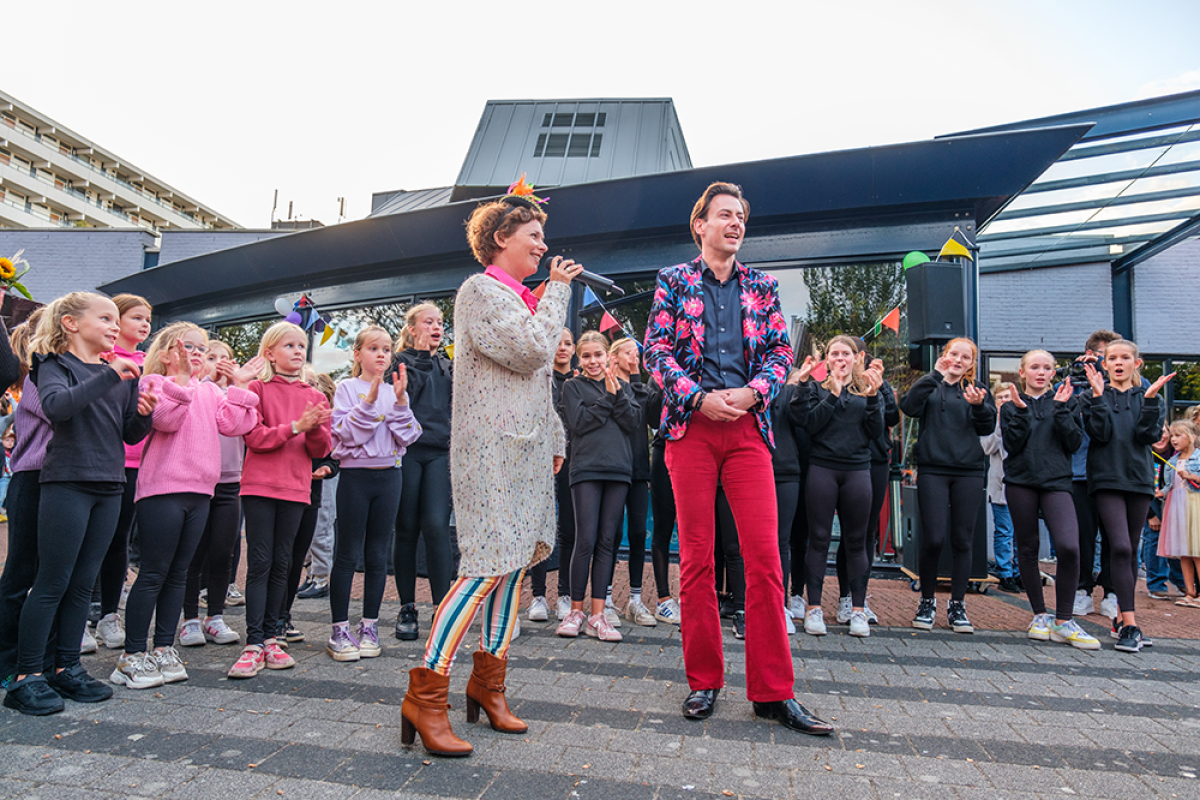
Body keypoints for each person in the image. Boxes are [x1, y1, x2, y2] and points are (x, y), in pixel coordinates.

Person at [642, 181, 831, 736]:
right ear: (700, 224)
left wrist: (752, 394)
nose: (735, 223)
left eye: (741, 216)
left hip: (748, 428)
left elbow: (779, 352)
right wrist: (697, 397)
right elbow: (655, 349)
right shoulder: (673, 281)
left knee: (764, 560)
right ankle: (705, 681)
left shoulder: (763, 285)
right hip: (691, 430)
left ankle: (774, 693)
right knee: (697, 559)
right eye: (725, 215)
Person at [400, 187, 582, 758]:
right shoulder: (480, 292)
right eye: (534, 237)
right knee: (483, 566)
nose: (543, 246)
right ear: (502, 238)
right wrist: (557, 292)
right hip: (490, 455)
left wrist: (555, 435)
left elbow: (537, 381)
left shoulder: (524, 299)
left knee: (515, 565)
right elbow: (531, 352)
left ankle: (489, 685)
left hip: (526, 452)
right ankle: (427, 694)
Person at [5, 293, 156, 716]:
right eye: (105, 317)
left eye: (115, 319)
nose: (114, 325)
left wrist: (144, 413)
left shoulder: (124, 375)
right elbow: (57, 407)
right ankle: (27, 675)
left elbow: (128, 433)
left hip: (109, 485)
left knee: (81, 583)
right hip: (66, 482)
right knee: (52, 580)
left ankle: (66, 666)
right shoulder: (53, 366)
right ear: (70, 324)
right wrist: (111, 373)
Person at [113, 324, 261, 689]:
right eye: (187, 346)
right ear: (166, 352)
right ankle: (132, 655)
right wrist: (179, 378)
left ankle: (163, 646)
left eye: (200, 347)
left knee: (179, 574)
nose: (196, 353)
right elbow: (165, 419)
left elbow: (234, 424)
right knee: (153, 573)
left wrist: (239, 386)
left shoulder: (209, 390)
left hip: (202, 492)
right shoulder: (155, 384)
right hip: (163, 490)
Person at [226, 322, 332, 679]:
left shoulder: (315, 396)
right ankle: (254, 642)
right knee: (260, 562)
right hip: (258, 487)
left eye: (302, 345)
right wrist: (296, 427)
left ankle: (272, 636)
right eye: (289, 345)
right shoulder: (255, 389)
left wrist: (314, 427)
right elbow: (254, 438)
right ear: (269, 353)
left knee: (284, 562)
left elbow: (321, 451)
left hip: (296, 489)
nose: (298, 351)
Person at [328, 327, 421, 661]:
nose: (381, 355)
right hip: (355, 479)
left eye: (386, 349)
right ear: (358, 355)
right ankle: (339, 629)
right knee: (348, 553)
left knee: (378, 554)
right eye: (373, 348)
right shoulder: (346, 388)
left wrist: (398, 402)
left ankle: (369, 626)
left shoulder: (397, 391)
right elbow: (347, 436)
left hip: (390, 478)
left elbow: (409, 436)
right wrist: (369, 401)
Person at [1000, 350, 1099, 650]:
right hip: (1021, 482)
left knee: (1070, 546)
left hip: (1057, 482)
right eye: (1034, 367)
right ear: (1022, 372)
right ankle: (1039, 615)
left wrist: (1059, 409)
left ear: (1054, 373)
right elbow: (1012, 446)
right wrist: (1019, 411)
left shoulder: (1067, 401)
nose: (1040, 372)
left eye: (1047, 368)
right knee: (1028, 548)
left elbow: (1072, 443)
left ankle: (1064, 620)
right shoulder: (1010, 406)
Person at [899, 337, 995, 634]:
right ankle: (927, 601)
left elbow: (987, 426)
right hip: (933, 470)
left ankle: (958, 605)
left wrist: (979, 407)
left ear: (971, 363)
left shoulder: (977, 390)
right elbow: (909, 407)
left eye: (965, 357)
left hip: (968, 471)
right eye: (954, 354)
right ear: (944, 355)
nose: (958, 360)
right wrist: (935, 375)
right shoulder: (930, 384)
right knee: (934, 539)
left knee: (963, 540)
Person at [1082, 338, 1170, 652]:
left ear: (1136, 363)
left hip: (1139, 480)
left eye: (1125, 358)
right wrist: (1097, 395)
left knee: (1130, 549)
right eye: (1112, 358)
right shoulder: (1092, 396)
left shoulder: (1150, 398)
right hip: (1106, 479)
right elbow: (1100, 433)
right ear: (1104, 364)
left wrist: (1148, 399)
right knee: (1119, 546)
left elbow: (1147, 436)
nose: (1118, 363)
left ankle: (1121, 618)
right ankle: (1131, 625)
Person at [792, 339, 884, 638]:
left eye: (846, 354)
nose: (840, 359)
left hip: (857, 470)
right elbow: (810, 425)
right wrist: (832, 394)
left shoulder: (867, 389)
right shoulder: (817, 388)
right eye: (835, 354)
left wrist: (872, 397)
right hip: (823, 469)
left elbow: (876, 432)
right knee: (818, 539)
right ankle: (814, 608)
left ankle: (857, 610)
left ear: (856, 358)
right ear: (827, 360)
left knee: (857, 540)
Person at [554, 331, 637, 641]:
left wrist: (617, 392)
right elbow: (580, 423)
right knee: (584, 539)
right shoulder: (573, 387)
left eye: (598, 355)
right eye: (586, 356)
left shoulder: (624, 386)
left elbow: (631, 424)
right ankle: (576, 611)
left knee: (606, 542)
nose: (592, 361)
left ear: (608, 358)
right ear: (579, 358)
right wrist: (609, 398)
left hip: (618, 470)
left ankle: (598, 615)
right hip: (586, 469)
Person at [179, 340, 251, 648]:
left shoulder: (238, 393)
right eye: (212, 357)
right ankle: (190, 619)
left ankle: (216, 616)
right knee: (193, 553)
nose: (220, 363)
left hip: (230, 481)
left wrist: (239, 385)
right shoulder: (197, 390)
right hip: (198, 481)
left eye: (226, 358)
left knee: (223, 552)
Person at [92, 294, 153, 651]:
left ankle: (108, 614)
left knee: (120, 542)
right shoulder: (101, 360)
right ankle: (86, 610)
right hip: (107, 461)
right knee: (98, 541)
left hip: (140, 464)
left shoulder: (150, 364)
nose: (144, 325)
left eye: (147, 319)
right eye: (135, 317)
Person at [392, 305, 454, 641]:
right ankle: (406, 607)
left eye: (440, 322)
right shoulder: (399, 361)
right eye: (428, 322)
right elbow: (400, 401)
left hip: (439, 454)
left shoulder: (448, 364)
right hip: (406, 452)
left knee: (436, 526)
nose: (436, 327)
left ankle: (442, 608)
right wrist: (418, 356)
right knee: (405, 528)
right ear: (413, 327)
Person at [0, 313, 53, 684]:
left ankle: (44, 658)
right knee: (20, 574)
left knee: (49, 575)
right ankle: (7, 661)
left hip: (62, 482)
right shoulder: (41, 374)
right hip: (33, 479)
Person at [834, 340, 894, 628]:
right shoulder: (837, 382)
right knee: (846, 533)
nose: (849, 358)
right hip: (844, 463)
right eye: (842, 353)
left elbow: (891, 417)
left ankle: (859, 597)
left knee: (865, 534)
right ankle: (845, 597)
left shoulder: (876, 382)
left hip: (875, 462)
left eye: (854, 354)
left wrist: (881, 388)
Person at [279, 368, 339, 644]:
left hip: (311, 492)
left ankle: (285, 615)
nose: (309, 388)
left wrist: (327, 466)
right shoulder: (285, 412)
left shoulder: (325, 419)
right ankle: (268, 622)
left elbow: (330, 454)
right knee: (278, 558)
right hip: (284, 489)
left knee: (303, 547)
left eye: (314, 384)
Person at [1069, 329, 1121, 618]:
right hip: (1080, 472)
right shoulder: (1076, 381)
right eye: (1105, 357)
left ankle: (1113, 592)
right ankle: (1082, 590)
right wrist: (1080, 380)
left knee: (1115, 538)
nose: (1112, 363)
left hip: (1114, 472)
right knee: (1081, 537)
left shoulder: (1132, 384)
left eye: (1116, 358)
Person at [608, 337, 657, 627]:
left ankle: (636, 599)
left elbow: (650, 418)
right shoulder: (608, 385)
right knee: (611, 535)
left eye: (636, 353)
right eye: (629, 353)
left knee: (638, 532)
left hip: (639, 468)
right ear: (615, 357)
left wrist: (643, 378)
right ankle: (607, 596)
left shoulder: (641, 387)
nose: (634, 358)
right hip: (614, 467)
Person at [770, 368, 807, 634]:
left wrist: (802, 386)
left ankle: (780, 606)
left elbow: (803, 423)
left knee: (781, 541)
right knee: (750, 543)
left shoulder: (792, 392)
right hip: (752, 471)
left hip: (786, 472)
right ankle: (751, 604)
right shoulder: (746, 391)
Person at [547, 329, 578, 622]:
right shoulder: (538, 379)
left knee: (569, 528)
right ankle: (537, 596)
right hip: (541, 461)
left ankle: (565, 594)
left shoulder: (579, 381)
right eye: (557, 342)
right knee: (538, 529)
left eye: (567, 343)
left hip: (572, 462)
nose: (562, 348)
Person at [1156, 421, 1200, 608]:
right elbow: (1169, 484)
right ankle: (1190, 591)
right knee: (1184, 551)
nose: (1173, 439)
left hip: (1194, 503)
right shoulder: (1172, 461)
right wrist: (1162, 493)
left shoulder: (1198, 457)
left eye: (1178, 435)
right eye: (1172, 435)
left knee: (1197, 550)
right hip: (1177, 505)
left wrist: (1194, 477)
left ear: (1192, 437)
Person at [982, 382, 1018, 593]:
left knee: (1022, 534)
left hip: (1023, 485)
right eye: (1001, 397)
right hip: (1000, 486)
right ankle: (1005, 573)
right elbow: (987, 447)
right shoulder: (991, 423)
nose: (1005, 401)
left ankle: (1019, 572)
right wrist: (998, 425)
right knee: (1004, 531)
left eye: (1008, 397)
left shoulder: (1023, 417)